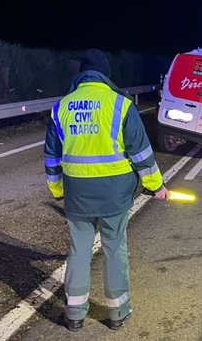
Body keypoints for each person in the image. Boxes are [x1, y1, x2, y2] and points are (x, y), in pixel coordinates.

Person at [44, 49, 168, 332]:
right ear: (106, 75)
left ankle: (74, 313)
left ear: (82, 75)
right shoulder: (121, 105)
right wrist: (156, 186)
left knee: (79, 250)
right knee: (115, 248)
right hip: (115, 195)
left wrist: (58, 190)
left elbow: (52, 158)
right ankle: (117, 313)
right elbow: (142, 154)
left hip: (77, 194)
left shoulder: (61, 107)